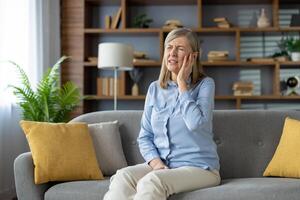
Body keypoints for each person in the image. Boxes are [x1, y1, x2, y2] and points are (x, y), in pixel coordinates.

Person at [103, 28, 220, 200]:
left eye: (180, 49)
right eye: (169, 47)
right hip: (164, 166)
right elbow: (145, 136)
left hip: (200, 168)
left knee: (151, 182)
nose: (172, 53)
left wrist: (182, 84)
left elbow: (196, 123)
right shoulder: (155, 88)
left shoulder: (205, 85)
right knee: (122, 177)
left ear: (193, 57)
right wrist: (156, 164)